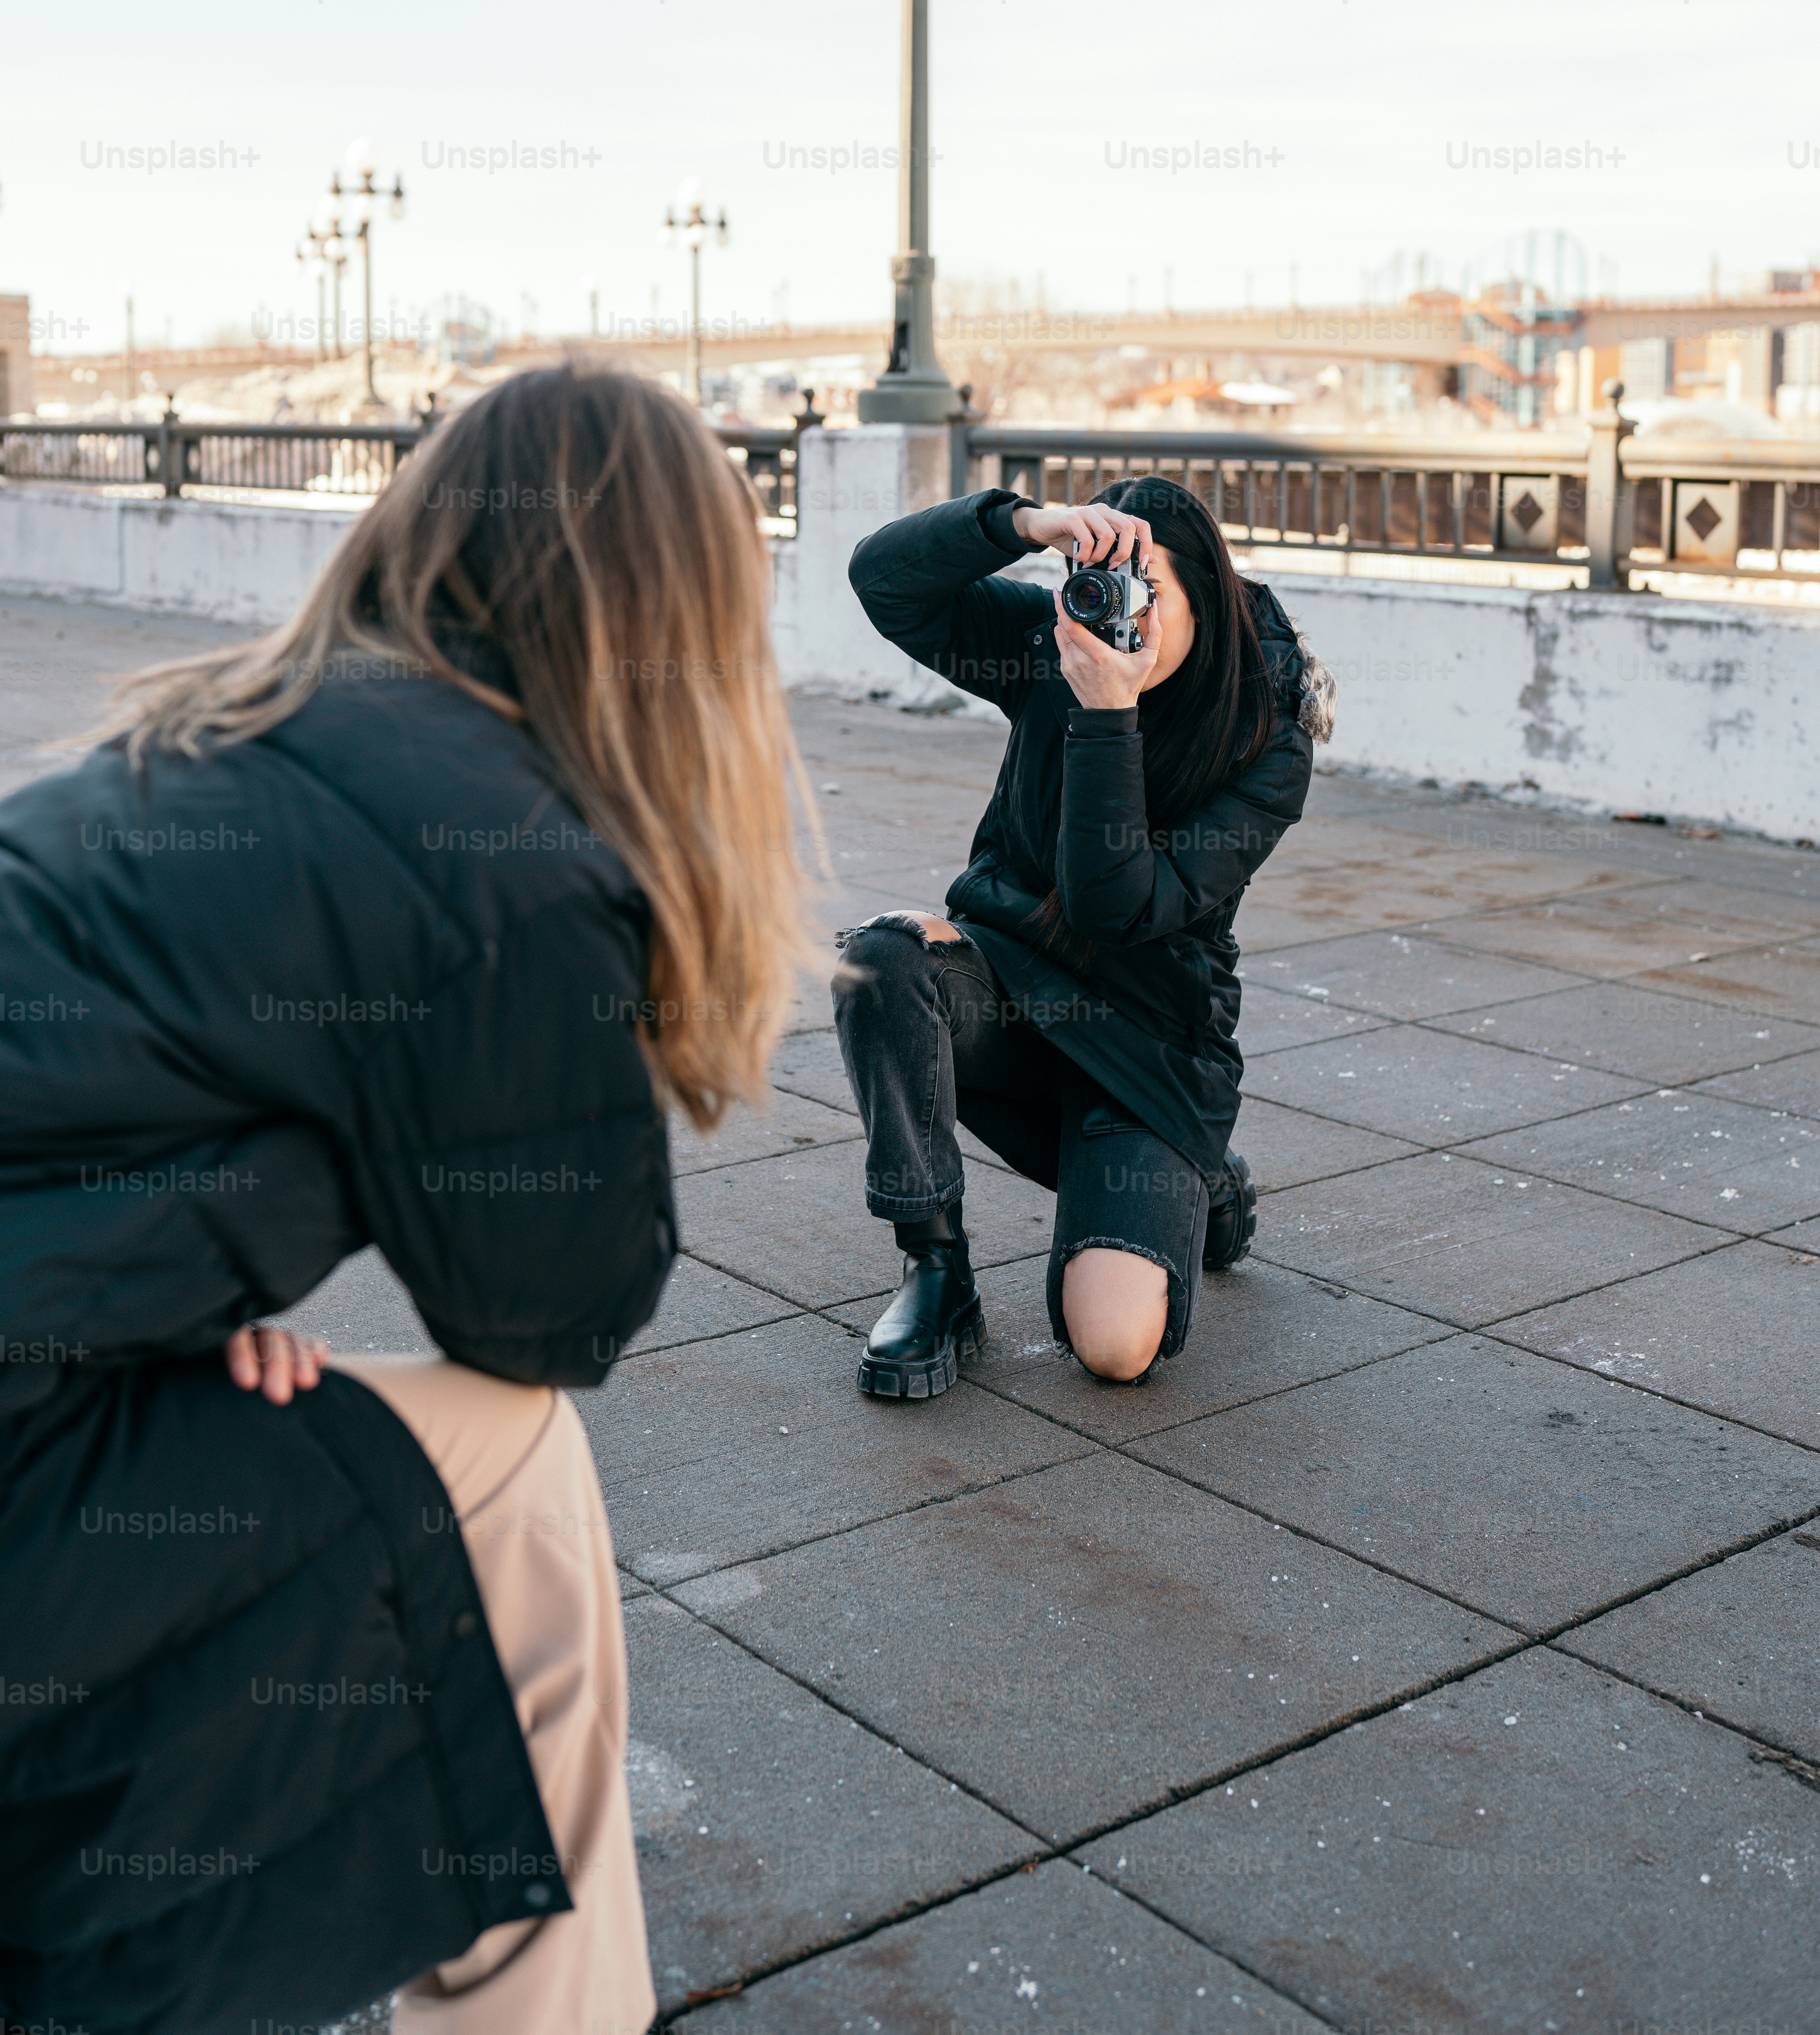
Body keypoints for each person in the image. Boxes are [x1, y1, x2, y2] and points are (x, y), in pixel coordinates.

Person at [0, 367, 809, 2034]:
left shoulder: (211, 736)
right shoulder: (502, 852)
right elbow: (552, 1310)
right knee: (514, 1452)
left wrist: (157, 1335)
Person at [835, 473, 1334, 1398]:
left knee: (1113, 1349)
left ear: (1208, 599)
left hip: (1149, 1048)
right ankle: (936, 1271)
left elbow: (1120, 910)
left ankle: (1201, 1180)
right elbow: (884, 581)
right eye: (1092, 587)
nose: (1110, 620)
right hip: (1019, 995)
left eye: (1144, 594)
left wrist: (1110, 714)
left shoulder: (1268, 737)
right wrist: (1026, 523)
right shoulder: (1050, 639)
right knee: (881, 962)